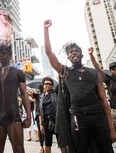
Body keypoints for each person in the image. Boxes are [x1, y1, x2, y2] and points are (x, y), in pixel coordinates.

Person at [43, 19, 116, 153]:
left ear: (81, 54)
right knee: (80, 149)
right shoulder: (66, 72)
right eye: (71, 52)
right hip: (78, 117)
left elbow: (104, 101)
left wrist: (111, 128)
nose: (73, 53)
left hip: (97, 116)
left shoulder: (94, 73)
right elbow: (49, 53)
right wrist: (46, 30)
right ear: (69, 57)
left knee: (106, 149)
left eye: (76, 51)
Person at [89, 46, 116, 129]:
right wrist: (91, 55)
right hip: (114, 110)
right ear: (111, 71)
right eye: (114, 69)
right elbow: (97, 68)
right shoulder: (109, 79)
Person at [39, 77, 57, 153]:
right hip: (46, 121)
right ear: (43, 85)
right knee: (47, 142)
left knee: (62, 142)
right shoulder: (41, 97)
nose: (48, 85)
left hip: (56, 120)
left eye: (50, 84)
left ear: (52, 85)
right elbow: (39, 112)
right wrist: (41, 124)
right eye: (46, 84)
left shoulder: (56, 94)